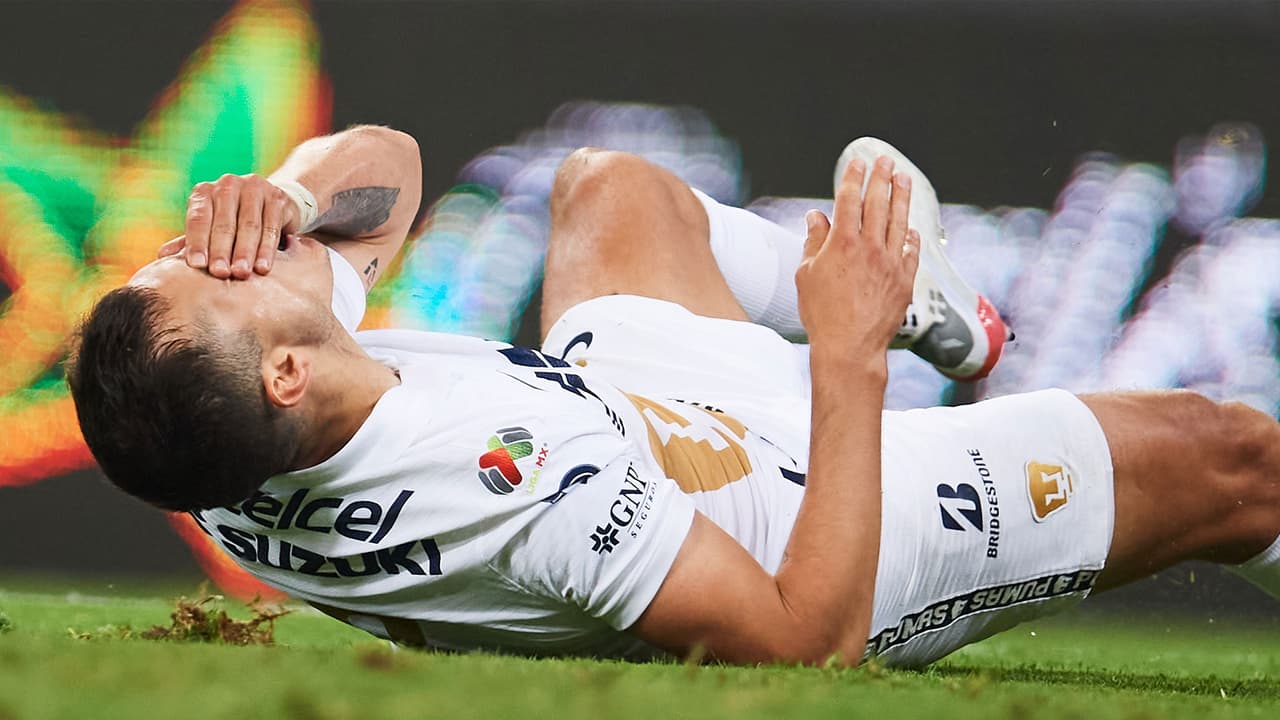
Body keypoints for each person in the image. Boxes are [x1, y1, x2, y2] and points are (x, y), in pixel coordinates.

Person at [67, 125, 1280, 667]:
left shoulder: (218, 433)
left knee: (613, 190)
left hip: (634, 414)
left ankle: (918, 301)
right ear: (282, 369)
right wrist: (847, 353)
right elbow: (804, 640)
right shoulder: (506, 487)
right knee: (1231, 456)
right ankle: (882, 308)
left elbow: (388, 164)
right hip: (798, 528)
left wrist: (288, 192)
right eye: (209, 275)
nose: (214, 251)